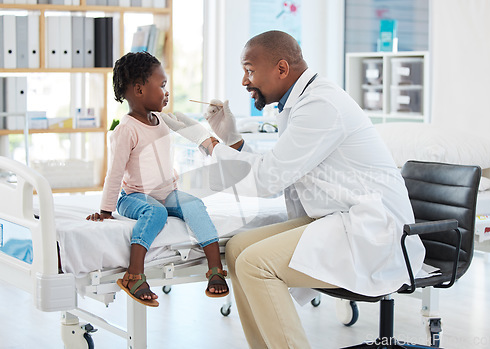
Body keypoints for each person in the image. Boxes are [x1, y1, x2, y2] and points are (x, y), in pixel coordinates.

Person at [162, 30, 426, 347]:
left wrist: (206, 142)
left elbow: (267, 179)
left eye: (249, 70)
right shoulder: (301, 104)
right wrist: (232, 141)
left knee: (255, 264)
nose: (244, 82)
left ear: (282, 69)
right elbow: (279, 167)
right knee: (236, 249)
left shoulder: (320, 105)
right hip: (339, 216)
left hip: (373, 229)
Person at [86, 51, 229, 307]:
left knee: (195, 205)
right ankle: (134, 274)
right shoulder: (126, 130)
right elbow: (115, 173)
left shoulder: (161, 120)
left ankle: (215, 269)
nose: (167, 92)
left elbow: (190, 130)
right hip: (134, 197)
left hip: (166, 192)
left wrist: (211, 137)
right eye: (162, 85)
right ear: (139, 90)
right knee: (156, 214)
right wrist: (106, 210)